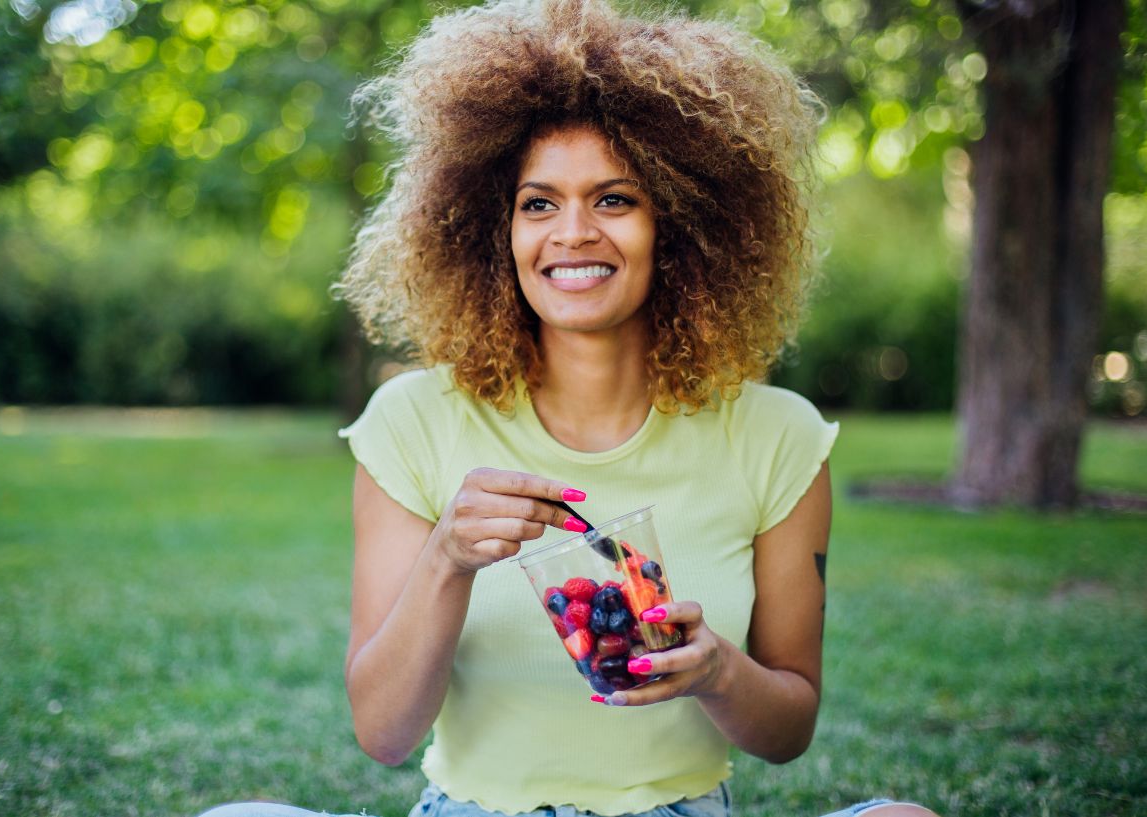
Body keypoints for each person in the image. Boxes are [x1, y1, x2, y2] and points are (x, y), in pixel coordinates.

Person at [199, 0, 938, 816]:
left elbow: (788, 728)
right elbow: (383, 732)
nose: (573, 233)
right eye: (539, 203)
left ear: (680, 222)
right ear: (495, 229)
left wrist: (718, 671)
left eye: (615, 199)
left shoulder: (778, 436)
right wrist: (447, 556)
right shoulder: (412, 420)